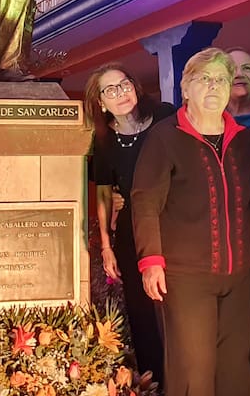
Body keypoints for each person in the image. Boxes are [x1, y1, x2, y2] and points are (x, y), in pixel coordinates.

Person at [132, 48, 250, 396]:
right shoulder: (165, 137)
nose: (213, 87)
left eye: (221, 79)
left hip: (238, 275)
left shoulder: (245, 140)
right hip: (185, 278)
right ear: (186, 89)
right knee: (192, 371)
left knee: (235, 368)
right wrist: (151, 261)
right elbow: (145, 201)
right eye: (204, 79)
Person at [84, 63, 174, 383]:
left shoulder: (165, 117)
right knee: (143, 313)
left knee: (177, 309)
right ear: (100, 102)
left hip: (173, 227)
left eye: (124, 85)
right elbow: (105, 195)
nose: (121, 93)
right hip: (130, 235)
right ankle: (156, 382)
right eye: (110, 90)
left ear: (135, 86)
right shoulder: (105, 139)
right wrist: (106, 247)